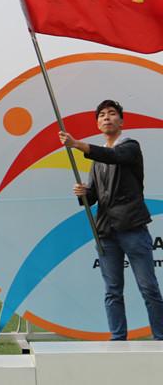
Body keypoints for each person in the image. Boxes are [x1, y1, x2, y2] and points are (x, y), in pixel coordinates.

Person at [60, 99, 163, 340]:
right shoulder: (97, 162)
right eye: (102, 115)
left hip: (132, 228)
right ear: (98, 123)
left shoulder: (130, 147)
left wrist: (77, 144)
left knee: (148, 288)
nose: (107, 117)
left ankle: (161, 338)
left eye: (112, 113)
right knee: (112, 291)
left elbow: (114, 156)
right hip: (106, 232)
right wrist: (84, 193)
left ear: (121, 121)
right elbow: (94, 197)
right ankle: (118, 340)